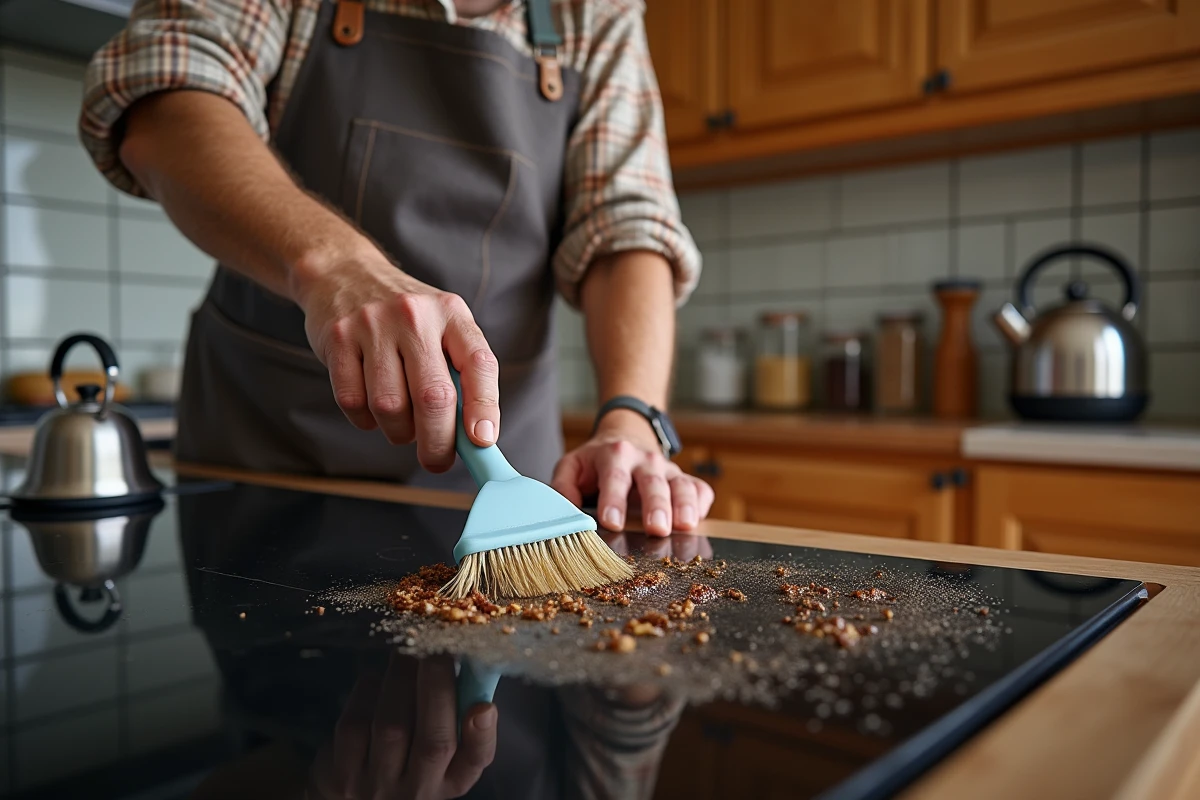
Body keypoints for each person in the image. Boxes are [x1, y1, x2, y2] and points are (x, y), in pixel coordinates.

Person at [79, 0, 714, 536]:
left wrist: (632, 417)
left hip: (513, 476)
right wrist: (337, 267)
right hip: (270, 470)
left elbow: (626, 225)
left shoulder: (596, 11)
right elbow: (168, 100)